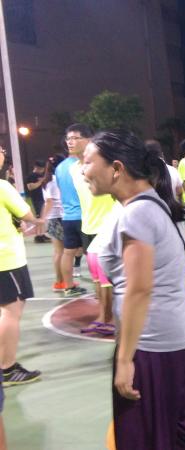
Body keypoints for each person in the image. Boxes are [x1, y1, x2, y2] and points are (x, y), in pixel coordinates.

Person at [85, 130, 185, 449]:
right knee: (184, 428)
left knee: (147, 438)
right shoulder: (152, 203)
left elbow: (138, 290)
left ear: (117, 168)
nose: (82, 170)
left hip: (152, 345)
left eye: (88, 162)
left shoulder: (137, 213)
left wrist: (125, 359)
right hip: (174, 336)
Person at [0, 146, 44, 386]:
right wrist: (38, 221)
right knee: (11, 312)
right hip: (6, 259)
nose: (3, 153)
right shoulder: (2, 187)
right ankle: (7, 369)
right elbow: (26, 213)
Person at [72, 141, 118, 335]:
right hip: (89, 226)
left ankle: (112, 318)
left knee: (108, 276)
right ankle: (103, 316)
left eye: (75, 138)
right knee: (97, 274)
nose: (70, 141)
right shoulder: (73, 169)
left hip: (108, 225)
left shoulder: (110, 168)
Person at [56, 124, 92, 297]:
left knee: (68, 252)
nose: (70, 142)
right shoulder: (82, 166)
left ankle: (68, 287)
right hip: (85, 215)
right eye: (68, 139)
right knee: (93, 253)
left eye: (74, 138)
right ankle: (101, 287)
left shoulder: (60, 167)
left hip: (68, 216)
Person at [40, 154, 66, 292]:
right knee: (62, 252)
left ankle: (60, 282)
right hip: (59, 217)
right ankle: (62, 282)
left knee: (58, 252)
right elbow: (50, 201)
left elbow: (47, 201)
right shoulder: (56, 180)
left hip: (53, 218)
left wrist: (44, 218)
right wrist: (42, 219)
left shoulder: (46, 180)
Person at [25, 160, 50, 243]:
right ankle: (38, 236)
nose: (42, 171)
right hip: (37, 199)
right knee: (40, 217)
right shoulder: (31, 176)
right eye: (41, 169)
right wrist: (40, 181)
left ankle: (41, 234)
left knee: (42, 217)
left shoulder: (40, 175)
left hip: (42, 198)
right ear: (36, 167)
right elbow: (30, 187)